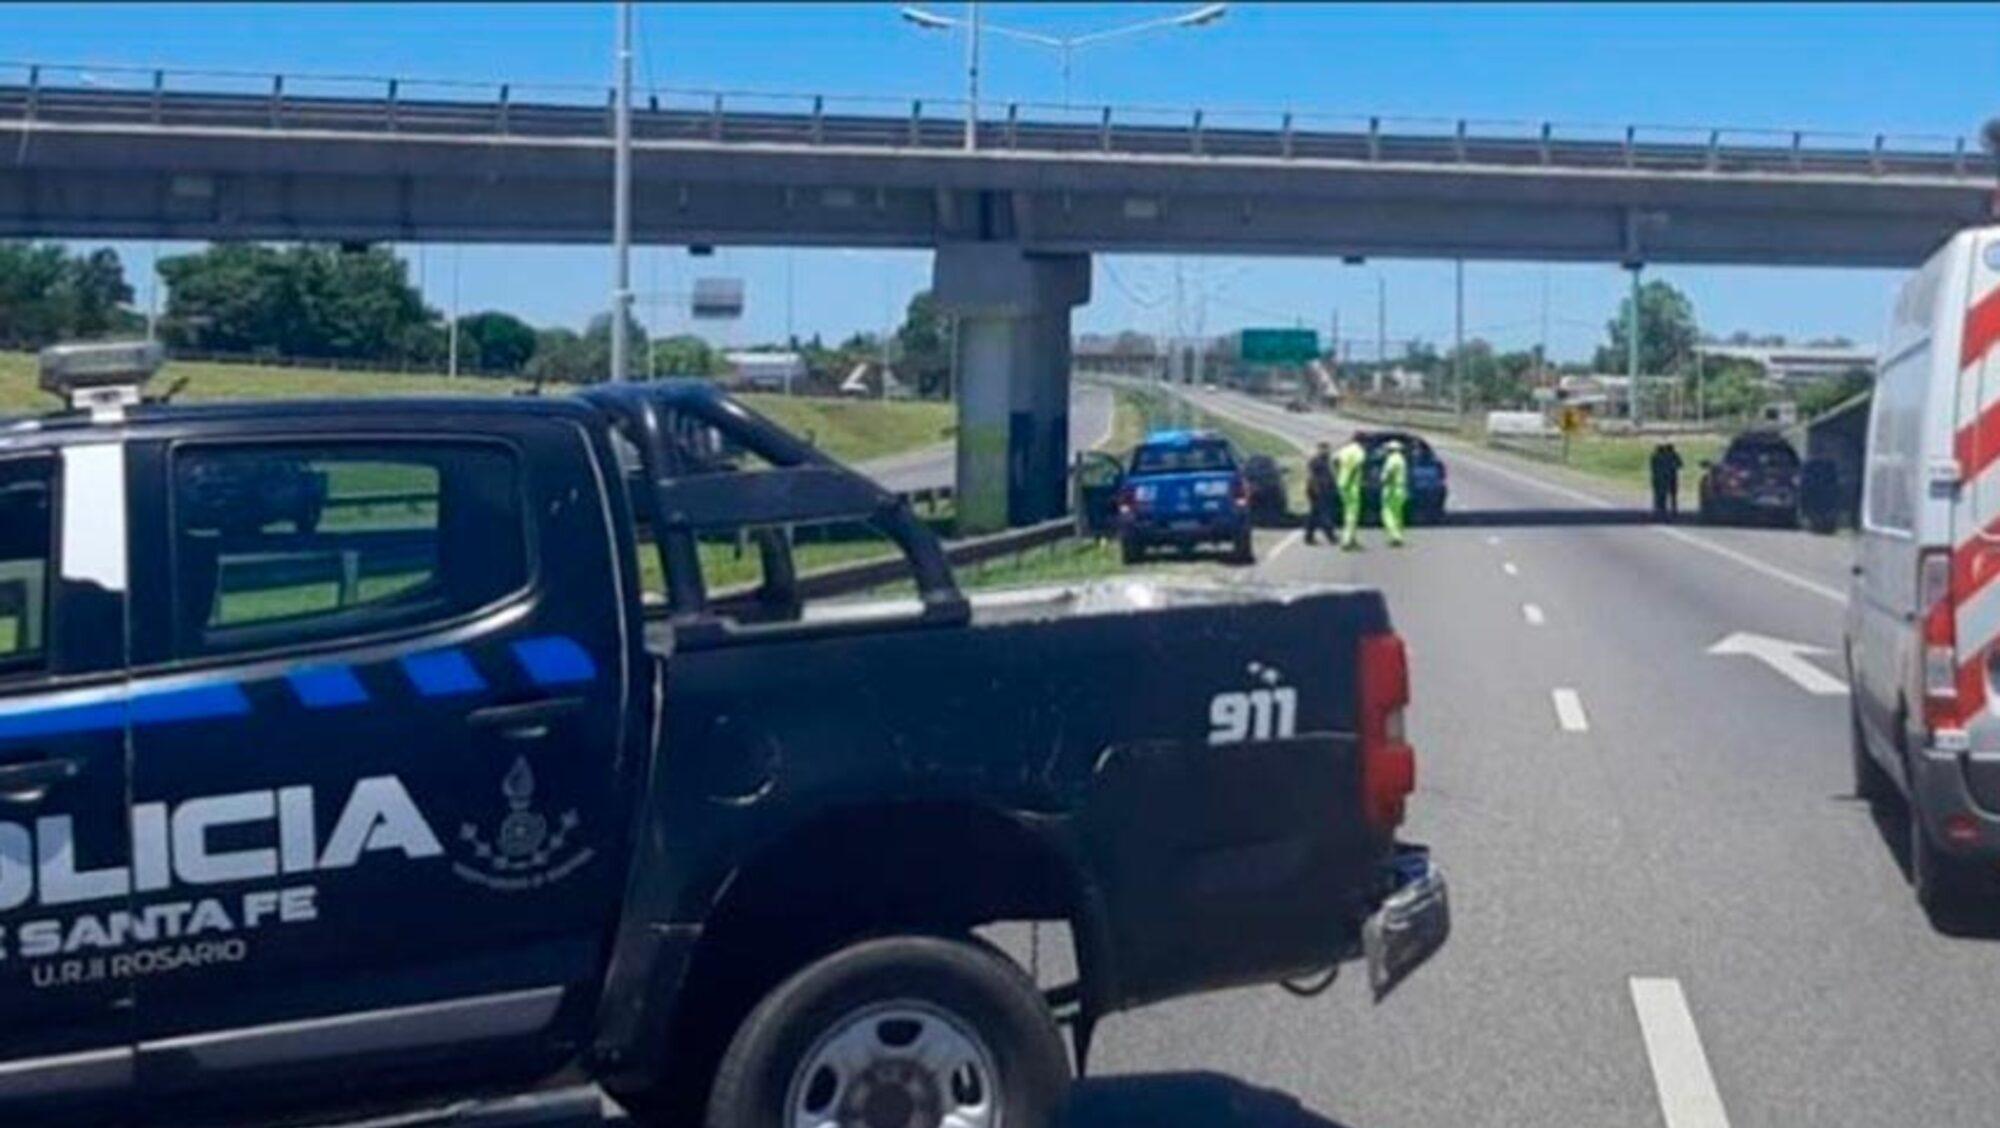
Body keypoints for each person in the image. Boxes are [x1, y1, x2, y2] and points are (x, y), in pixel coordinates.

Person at [1335, 433, 1368, 550]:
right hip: (1352, 485)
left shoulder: (1344, 450)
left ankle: (1352, 539)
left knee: (1346, 512)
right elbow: (1357, 466)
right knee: (1352, 514)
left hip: (1341, 482)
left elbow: (1336, 462)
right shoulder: (1359, 452)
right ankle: (1347, 541)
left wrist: (1339, 476)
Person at [1305, 441, 1337, 544]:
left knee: (1314, 514)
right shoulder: (1316, 461)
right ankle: (1330, 536)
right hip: (1318, 490)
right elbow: (1312, 477)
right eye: (1324, 449)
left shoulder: (1326, 461)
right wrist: (1315, 489)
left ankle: (1309, 536)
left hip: (1323, 489)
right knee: (1324, 513)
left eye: (1327, 449)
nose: (1327, 451)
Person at [1380, 439, 1410, 547]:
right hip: (1401, 489)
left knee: (1387, 514)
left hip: (1391, 489)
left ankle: (1394, 536)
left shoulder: (1391, 460)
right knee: (1398, 514)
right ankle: (1399, 536)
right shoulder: (1401, 459)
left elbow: (1388, 473)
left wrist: (1383, 481)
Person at [1650, 442, 1683, 518]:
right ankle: (1668, 509)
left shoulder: (1656, 457)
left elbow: (1653, 468)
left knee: (1662, 494)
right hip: (1668, 477)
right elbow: (1680, 465)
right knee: (1669, 495)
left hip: (1662, 478)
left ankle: (1661, 509)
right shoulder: (1670, 457)